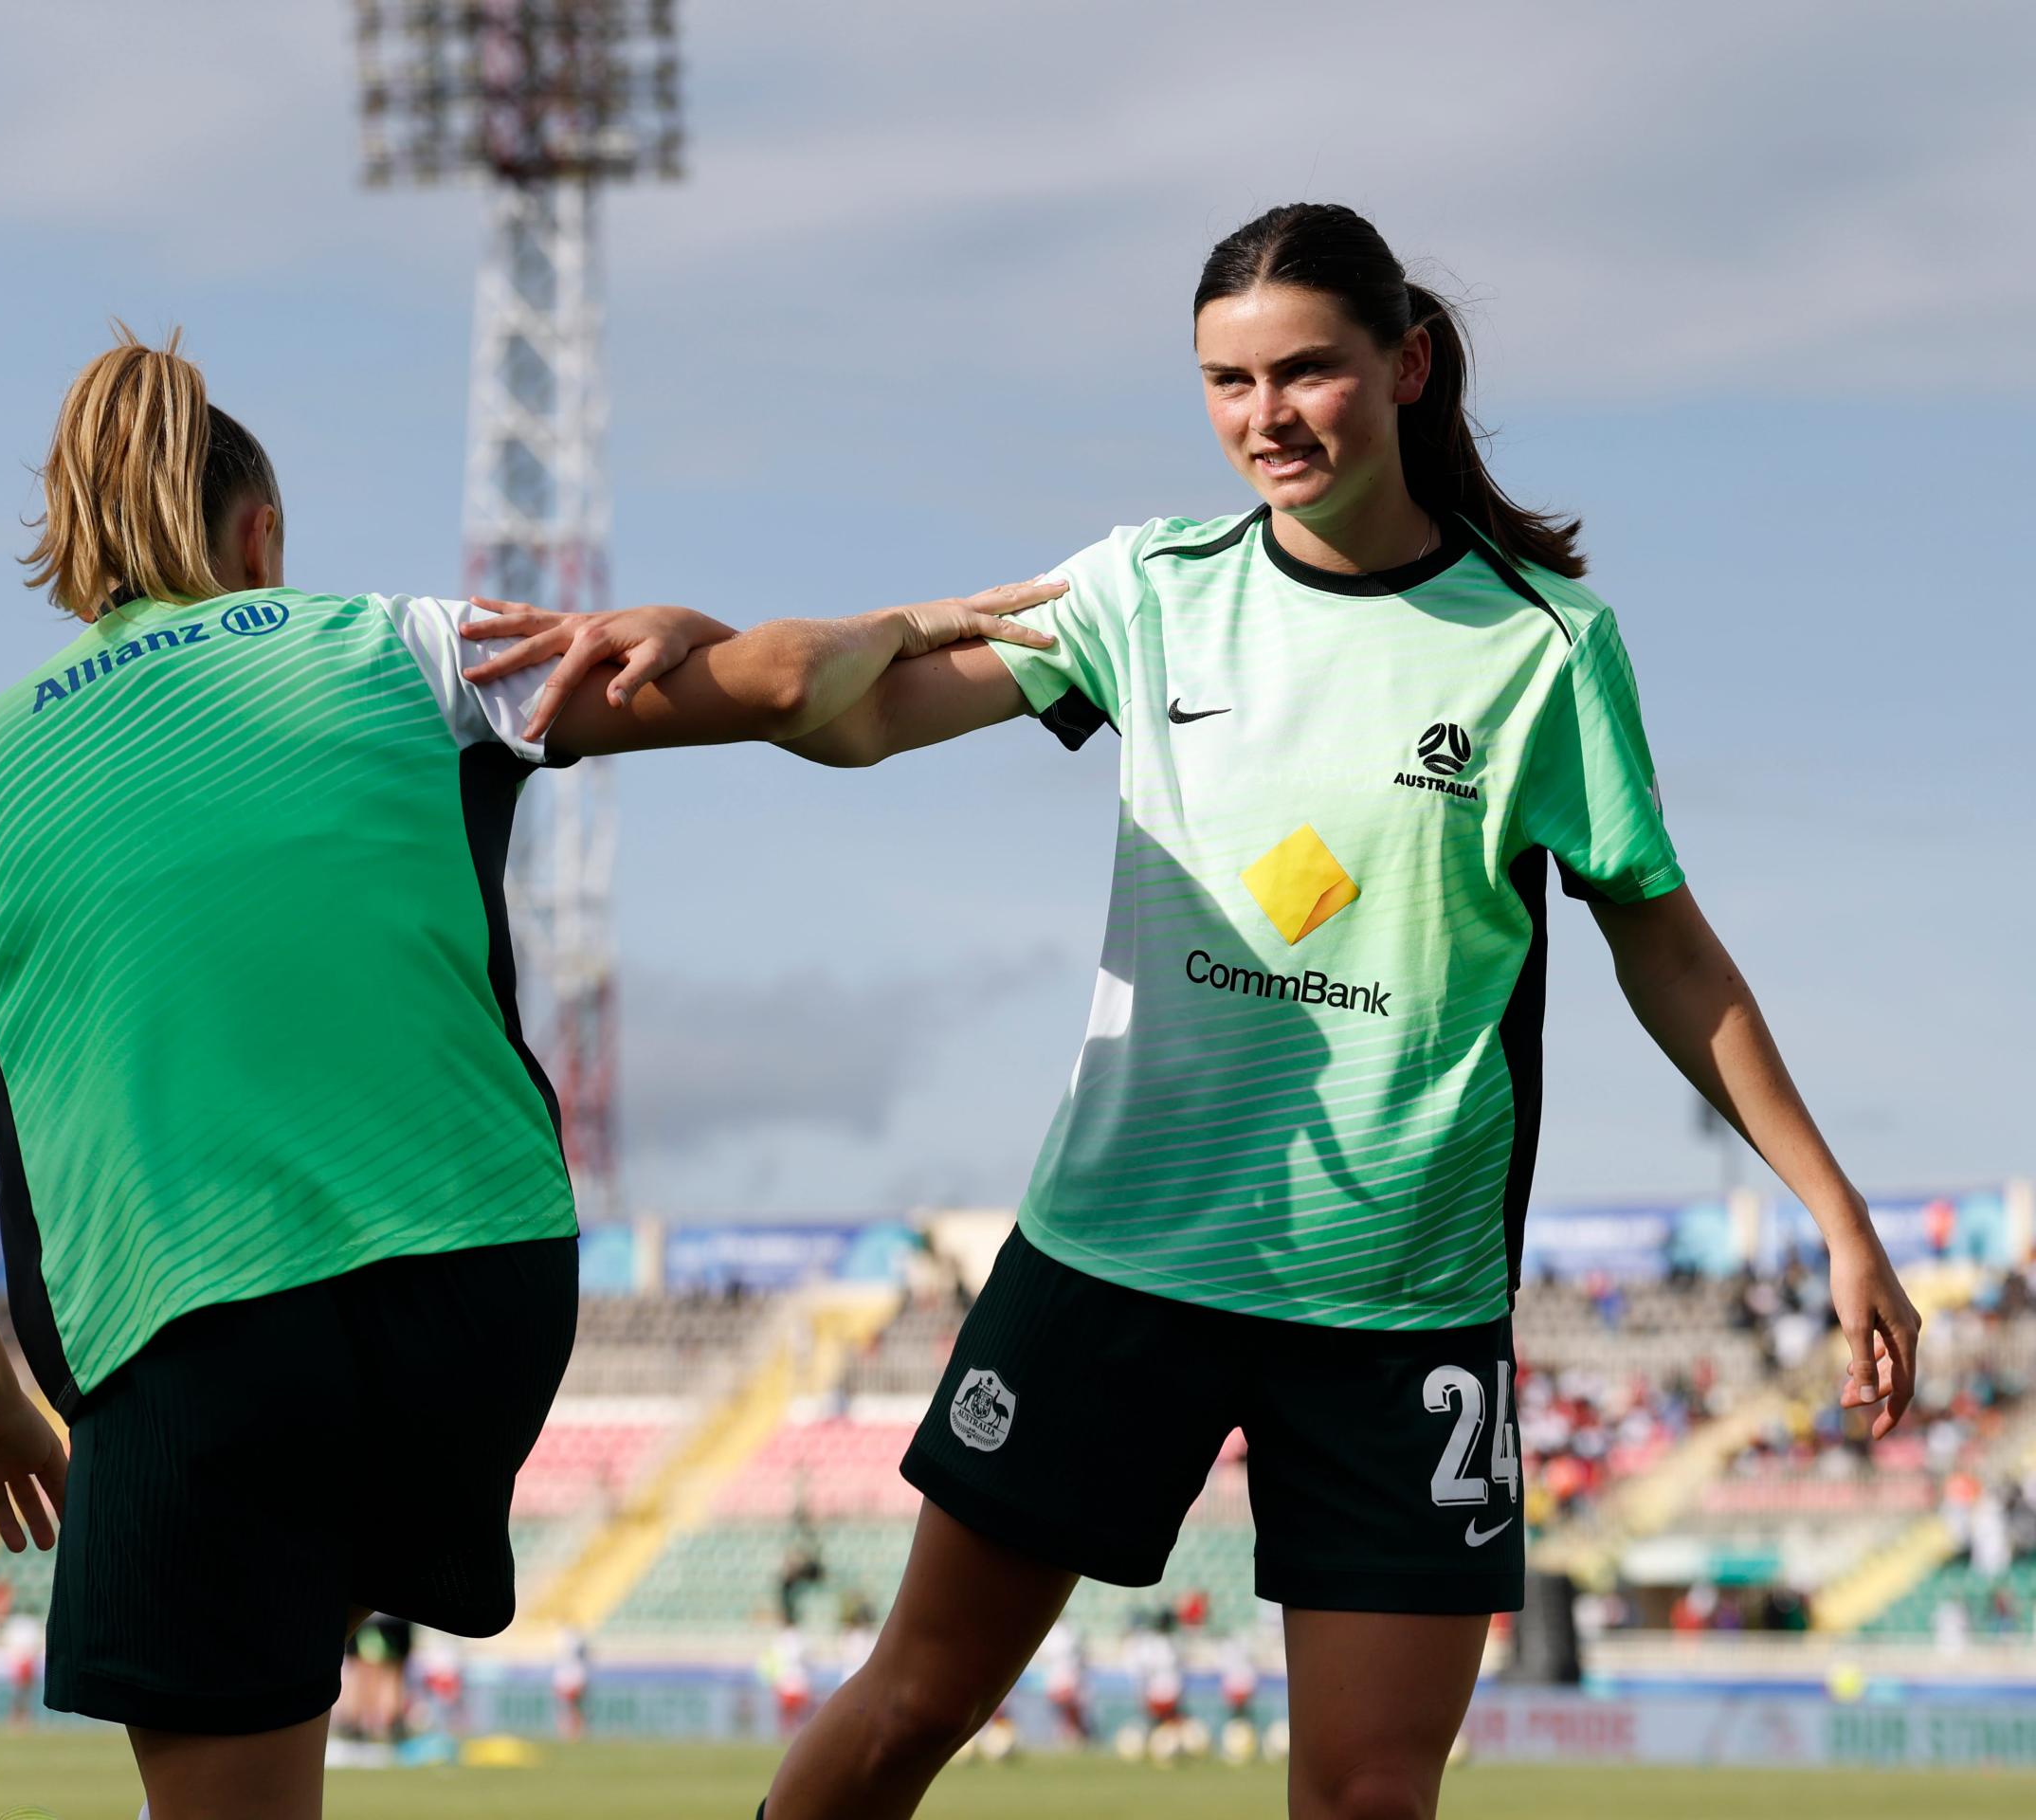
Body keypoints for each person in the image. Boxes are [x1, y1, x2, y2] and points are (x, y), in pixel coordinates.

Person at [464, 200, 1925, 1820]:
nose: (1265, 418)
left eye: (1306, 372)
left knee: (1369, 1797)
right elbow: (859, 719)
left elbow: (1670, 950)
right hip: (1119, 1260)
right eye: (1228, 383)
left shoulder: (1544, 649)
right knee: (910, 1711)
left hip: (1399, 1302)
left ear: (1409, 366)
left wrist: (1837, 1214)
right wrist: (715, 650)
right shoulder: (1147, 590)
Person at [0, 325, 1059, 1820]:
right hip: (479, 1299)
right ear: (264, 537)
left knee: (228, 1709)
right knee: (308, 1559)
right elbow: (774, 693)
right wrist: (900, 619)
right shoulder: (405, 643)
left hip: (194, 1346)